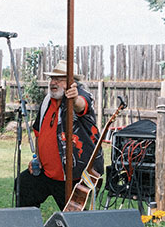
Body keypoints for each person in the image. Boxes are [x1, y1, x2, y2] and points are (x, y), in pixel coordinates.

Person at [16, 59, 102, 209]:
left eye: (59, 79)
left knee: (75, 221)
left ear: (72, 82)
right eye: (52, 78)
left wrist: (74, 98)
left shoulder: (81, 94)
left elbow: (80, 105)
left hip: (73, 176)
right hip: (47, 172)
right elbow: (39, 132)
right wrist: (38, 159)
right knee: (23, 185)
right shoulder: (47, 101)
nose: (53, 83)